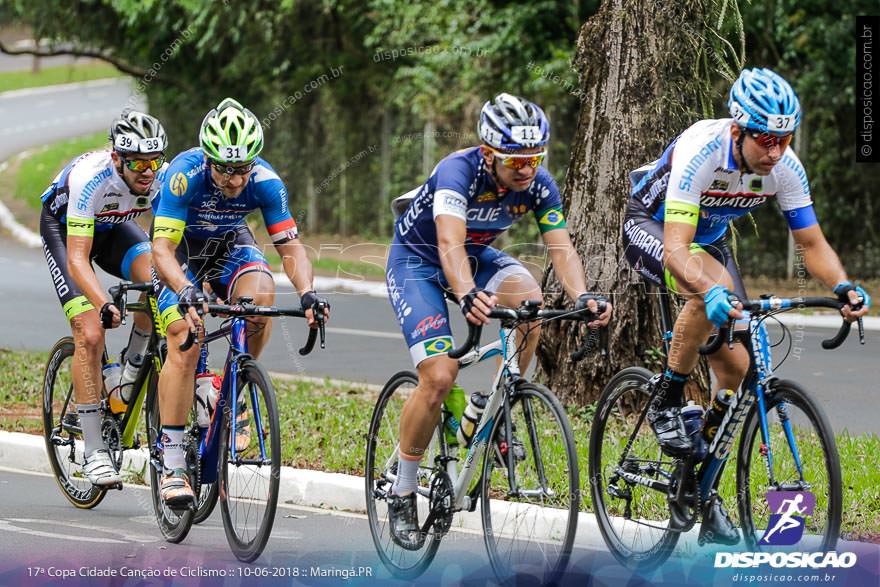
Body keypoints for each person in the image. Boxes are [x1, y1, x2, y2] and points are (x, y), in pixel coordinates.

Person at [623, 68, 870, 544]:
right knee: (708, 284)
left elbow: (811, 243)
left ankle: (697, 487)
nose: (774, 151)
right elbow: (677, 251)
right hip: (654, 228)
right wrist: (709, 289)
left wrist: (842, 286)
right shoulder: (701, 151)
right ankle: (668, 400)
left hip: (710, 242)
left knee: (737, 375)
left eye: (784, 139)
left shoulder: (785, 167)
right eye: (764, 140)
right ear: (737, 130)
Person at [384, 93, 612, 549]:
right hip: (418, 261)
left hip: (472, 256)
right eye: (515, 161)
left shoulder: (540, 183)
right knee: (440, 375)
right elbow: (449, 243)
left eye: (534, 159)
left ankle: (491, 400)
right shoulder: (458, 171)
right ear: (488, 153)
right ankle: (403, 490)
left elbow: (561, 248)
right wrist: (468, 293)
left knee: (529, 301)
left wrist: (583, 295)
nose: (526, 169)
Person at [151, 97, 329, 507]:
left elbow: (291, 247)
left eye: (242, 169)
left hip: (229, 244)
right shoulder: (184, 175)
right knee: (185, 334)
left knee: (260, 301)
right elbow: (161, 251)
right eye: (225, 169)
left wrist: (307, 293)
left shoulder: (266, 181)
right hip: (180, 251)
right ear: (208, 158)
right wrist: (185, 291)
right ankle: (173, 458)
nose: (234, 180)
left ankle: (234, 385)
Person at [39, 110, 168, 486]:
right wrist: (102, 303)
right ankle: (95, 452)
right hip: (66, 233)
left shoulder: (161, 179)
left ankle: (126, 375)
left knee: (157, 286)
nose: (148, 171)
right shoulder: (91, 180)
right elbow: (78, 259)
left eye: (154, 160)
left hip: (113, 225)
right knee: (91, 332)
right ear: (117, 159)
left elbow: (170, 246)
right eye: (138, 163)